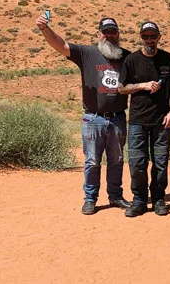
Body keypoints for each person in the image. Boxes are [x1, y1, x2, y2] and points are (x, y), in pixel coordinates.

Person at [36, 15, 131, 215]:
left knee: (117, 160)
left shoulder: (127, 57)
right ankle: (90, 199)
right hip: (93, 118)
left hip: (117, 118)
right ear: (98, 34)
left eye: (113, 32)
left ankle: (115, 196)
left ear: (118, 34)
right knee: (92, 161)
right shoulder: (87, 53)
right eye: (105, 32)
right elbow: (61, 45)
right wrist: (45, 29)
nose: (109, 35)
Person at [118, 21, 170, 218]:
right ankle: (139, 200)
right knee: (137, 163)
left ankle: (159, 198)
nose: (149, 40)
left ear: (159, 37)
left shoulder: (167, 59)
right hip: (138, 120)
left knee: (160, 162)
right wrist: (142, 85)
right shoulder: (132, 60)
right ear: (141, 38)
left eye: (153, 36)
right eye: (146, 36)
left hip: (162, 120)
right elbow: (121, 88)